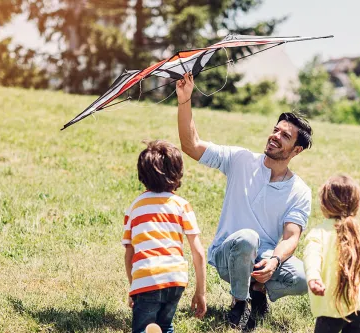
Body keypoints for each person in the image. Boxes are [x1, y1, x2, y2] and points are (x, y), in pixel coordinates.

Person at [175, 72, 312, 330]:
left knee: (303, 277)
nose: (275, 136)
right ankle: (240, 301)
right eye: (276, 130)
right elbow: (190, 145)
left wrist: (273, 262)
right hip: (228, 254)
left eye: (285, 136)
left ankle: (258, 289)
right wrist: (185, 100)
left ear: (296, 150)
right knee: (248, 237)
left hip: (263, 258)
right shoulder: (240, 160)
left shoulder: (300, 190)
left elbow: (291, 237)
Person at [122, 140, 207, 333]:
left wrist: (134, 288)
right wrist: (200, 292)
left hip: (147, 278)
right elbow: (198, 253)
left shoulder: (135, 208)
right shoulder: (181, 205)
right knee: (165, 326)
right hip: (175, 279)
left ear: (142, 174)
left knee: (143, 329)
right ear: (177, 172)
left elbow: (129, 254)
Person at [303, 175, 360, 333]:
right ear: (357, 205)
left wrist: (314, 277)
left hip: (330, 307)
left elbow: (312, 256)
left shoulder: (318, 233)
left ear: (324, 205)